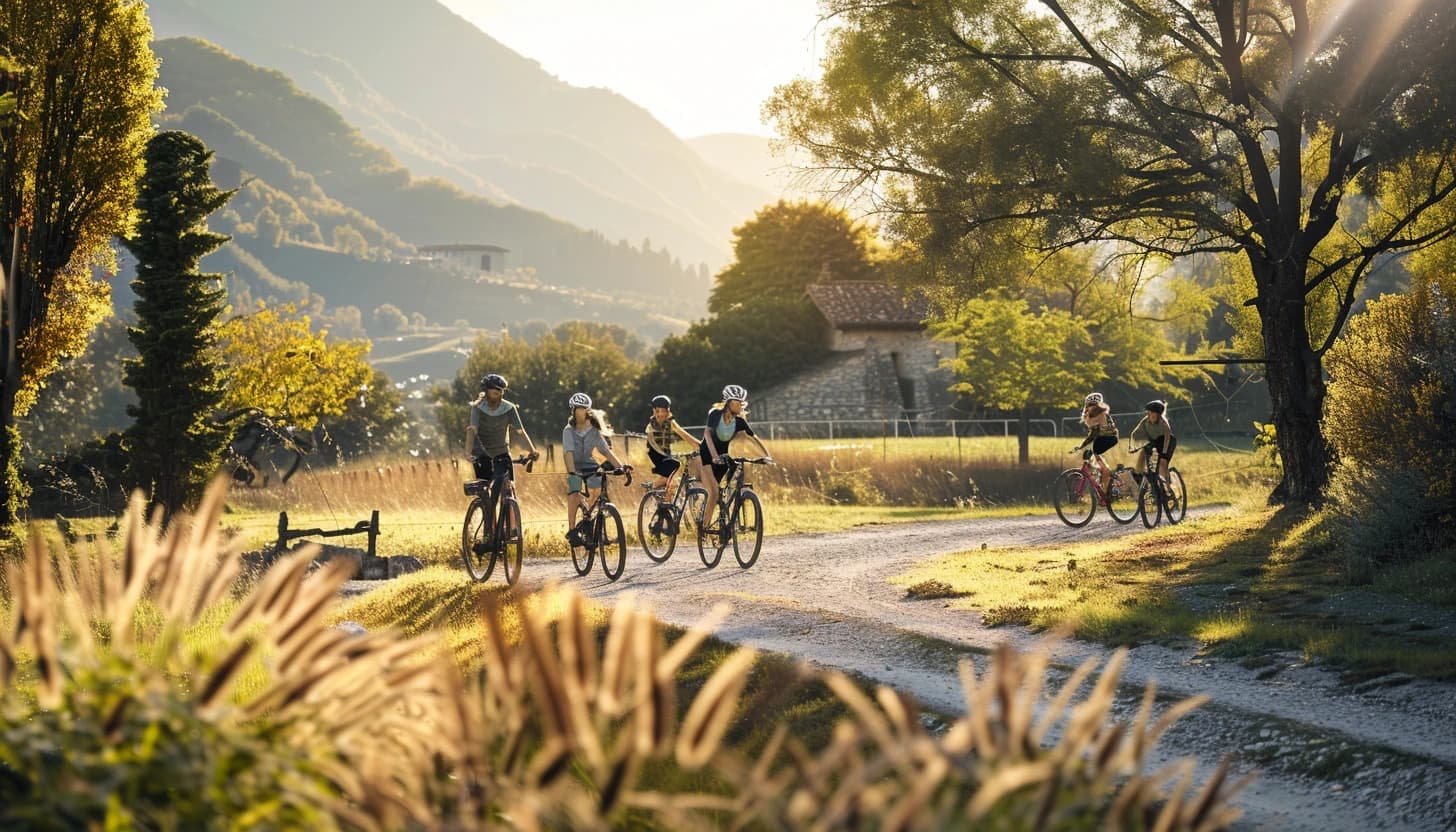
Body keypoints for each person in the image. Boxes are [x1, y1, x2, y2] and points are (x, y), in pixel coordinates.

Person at [464, 373, 539, 540]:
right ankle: (488, 531)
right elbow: (472, 430)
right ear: (486, 391)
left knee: (509, 486)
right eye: (494, 392)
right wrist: (468, 452)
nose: (498, 396)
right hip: (482, 454)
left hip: (502, 453)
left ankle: (511, 528)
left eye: (500, 393)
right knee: (487, 494)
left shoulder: (509, 408)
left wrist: (532, 450)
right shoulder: (477, 408)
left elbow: (520, 431)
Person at [699, 384, 772, 540]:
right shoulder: (715, 414)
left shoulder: (739, 421)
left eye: (741, 403)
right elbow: (707, 434)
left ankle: (724, 524)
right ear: (728, 403)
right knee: (714, 492)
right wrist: (713, 456)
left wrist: (767, 455)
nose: (740, 406)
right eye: (737, 403)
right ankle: (703, 529)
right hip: (707, 454)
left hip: (723, 456)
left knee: (725, 490)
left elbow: (753, 438)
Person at [562, 392, 630, 546]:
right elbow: (568, 453)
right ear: (573, 410)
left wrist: (621, 467)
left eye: (584, 408)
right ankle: (573, 531)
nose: (581, 411)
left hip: (589, 463)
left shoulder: (593, 430)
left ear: (588, 410)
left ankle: (588, 519)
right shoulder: (568, 430)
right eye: (578, 409)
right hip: (574, 465)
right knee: (574, 493)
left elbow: (605, 451)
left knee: (597, 491)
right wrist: (573, 473)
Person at [643, 394, 702, 534]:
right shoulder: (651, 427)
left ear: (668, 411)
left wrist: (700, 446)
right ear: (653, 412)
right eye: (657, 411)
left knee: (672, 484)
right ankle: (654, 487)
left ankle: (665, 509)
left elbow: (684, 435)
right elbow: (653, 445)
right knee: (670, 477)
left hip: (667, 455)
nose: (660, 414)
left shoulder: (671, 423)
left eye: (663, 411)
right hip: (654, 455)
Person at [1071, 392, 1118, 500]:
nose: (1091, 407)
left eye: (1094, 405)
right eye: (1089, 405)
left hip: (1109, 437)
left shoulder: (1102, 414)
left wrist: (1096, 429)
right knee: (1088, 453)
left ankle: (1105, 487)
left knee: (1094, 450)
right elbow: (1092, 434)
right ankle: (1098, 471)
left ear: (1099, 406)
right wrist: (1081, 446)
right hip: (1099, 438)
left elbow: (1104, 430)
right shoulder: (1089, 416)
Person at [1130, 399, 1176, 485]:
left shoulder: (1163, 423)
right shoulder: (1145, 421)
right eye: (1149, 413)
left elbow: (1167, 438)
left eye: (1153, 414)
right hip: (1155, 442)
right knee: (1144, 454)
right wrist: (1134, 446)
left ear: (1159, 415)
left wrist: (1164, 454)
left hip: (1167, 442)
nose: (1150, 416)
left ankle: (1167, 487)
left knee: (1162, 464)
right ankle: (1139, 474)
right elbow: (1135, 433)